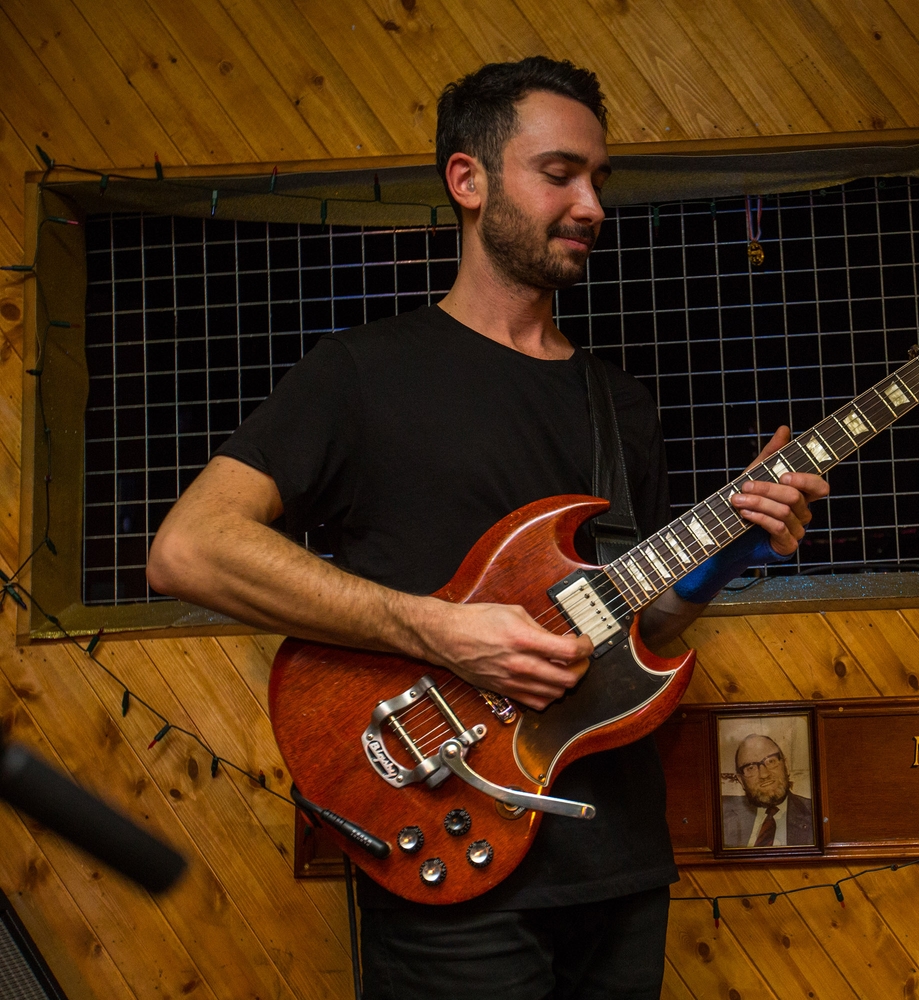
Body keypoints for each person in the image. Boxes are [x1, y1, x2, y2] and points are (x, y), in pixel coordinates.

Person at [146, 56, 829, 1000]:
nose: (591, 205)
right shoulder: (361, 375)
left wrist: (729, 552)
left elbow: (634, 626)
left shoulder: (616, 403)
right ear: (467, 181)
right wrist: (441, 631)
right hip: (441, 840)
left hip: (617, 856)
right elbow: (189, 549)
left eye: (598, 180)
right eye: (560, 175)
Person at [721, 734, 815, 849]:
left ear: (786, 765)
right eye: (750, 768)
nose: (764, 774)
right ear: (741, 780)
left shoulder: (814, 814)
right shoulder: (722, 816)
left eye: (771, 761)